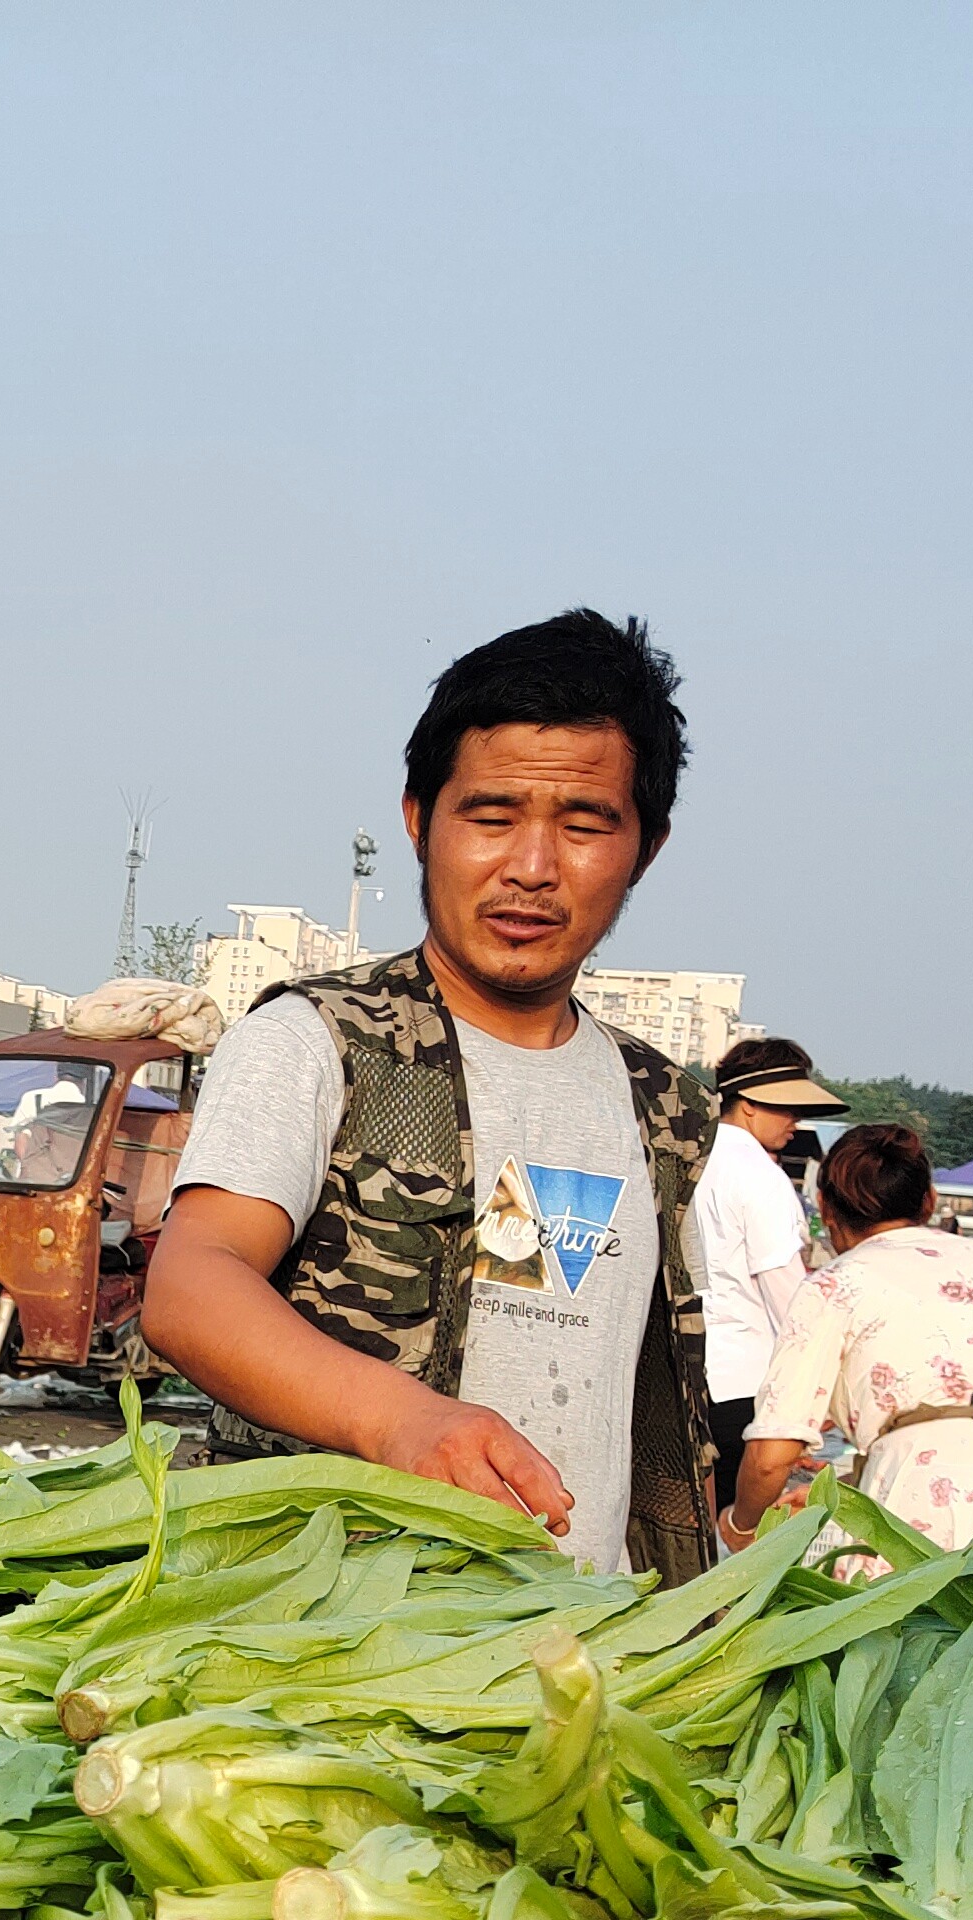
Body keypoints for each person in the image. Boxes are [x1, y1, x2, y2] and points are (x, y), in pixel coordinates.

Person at [142, 608, 721, 1579]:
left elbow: (625, 1377)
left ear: (645, 848)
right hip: (341, 1631)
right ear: (419, 819)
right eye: (491, 818)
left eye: (582, 825)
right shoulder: (323, 1042)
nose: (531, 869)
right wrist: (400, 1421)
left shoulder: (661, 1105)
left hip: (575, 1642)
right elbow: (193, 1287)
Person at [734, 1124, 973, 1552]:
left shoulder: (834, 1284)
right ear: (929, 1201)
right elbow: (952, 1415)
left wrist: (741, 1527)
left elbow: (771, 1457)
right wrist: (846, 1490)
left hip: (928, 1491)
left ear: (825, 1207)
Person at [694, 1034, 847, 1494]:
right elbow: (791, 1302)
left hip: (687, 1372)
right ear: (748, 1105)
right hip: (743, 1383)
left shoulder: (689, 1159)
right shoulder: (763, 1178)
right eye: (786, 1107)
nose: (796, 1121)